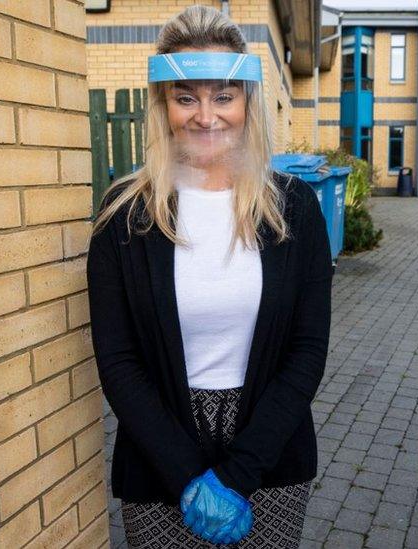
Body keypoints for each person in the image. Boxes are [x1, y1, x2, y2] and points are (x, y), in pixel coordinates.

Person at [86, 6, 333, 548]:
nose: (205, 116)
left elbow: (307, 350)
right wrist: (186, 474)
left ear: (247, 102)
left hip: (270, 455)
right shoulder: (124, 217)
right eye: (186, 97)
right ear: (163, 104)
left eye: (223, 95)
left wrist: (237, 474)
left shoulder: (294, 210)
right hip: (158, 459)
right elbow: (119, 361)